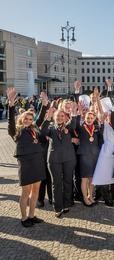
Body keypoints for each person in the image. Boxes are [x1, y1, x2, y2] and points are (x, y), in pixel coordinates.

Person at [7, 88, 47, 227]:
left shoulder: (34, 129)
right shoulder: (16, 132)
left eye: (30, 119)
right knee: (26, 192)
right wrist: (11, 103)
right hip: (26, 163)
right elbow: (10, 120)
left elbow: (41, 118)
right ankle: (24, 218)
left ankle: (32, 214)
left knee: (36, 190)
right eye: (26, 119)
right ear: (22, 119)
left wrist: (45, 104)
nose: (28, 121)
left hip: (38, 161)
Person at [41, 100, 78, 218]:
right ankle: (58, 207)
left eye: (62, 116)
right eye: (58, 116)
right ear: (54, 117)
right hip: (54, 160)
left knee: (68, 182)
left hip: (68, 159)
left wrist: (73, 113)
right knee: (56, 183)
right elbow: (43, 131)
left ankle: (66, 204)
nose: (60, 118)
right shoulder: (51, 128)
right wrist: (48, 118)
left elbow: (74, 124)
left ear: (65, 117)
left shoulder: (68, 127)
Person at [75, 107, 103, 207]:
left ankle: (90, 195)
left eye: (91, 118)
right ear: (84, 118)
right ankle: (85, 198)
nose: (89, 120)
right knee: (84, 178)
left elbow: (101, 137)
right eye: (88, 118)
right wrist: (77, 114)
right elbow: (75, 125)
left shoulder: (97, 128)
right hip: (84, 155)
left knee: (92, 178)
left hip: (94, 155)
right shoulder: (81, 128)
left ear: (94, 118)